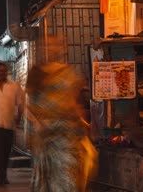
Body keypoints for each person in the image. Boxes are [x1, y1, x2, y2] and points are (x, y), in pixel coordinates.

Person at [25, 62, 98, 192]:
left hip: (67, 138)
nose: (55, 44)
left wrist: (84, 124)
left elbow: (72, 103)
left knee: (71, 175)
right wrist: (37, 123)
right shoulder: (37, 72)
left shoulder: (66, 72)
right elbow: (27, 105)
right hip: (47, 140)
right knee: (50, 179)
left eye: (56, 41)